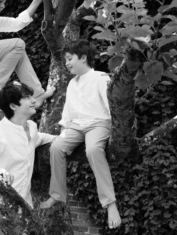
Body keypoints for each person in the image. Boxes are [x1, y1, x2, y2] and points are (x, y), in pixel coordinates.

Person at [39, 40, 122, 229]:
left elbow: (112, 107)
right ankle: (57, 194)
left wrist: (116, 131)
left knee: (93, 150)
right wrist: (63, 132)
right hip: (75, 126)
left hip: (98, 123)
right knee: (57, 147)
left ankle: (110, 203)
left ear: (83, 57)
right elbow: (67, 112)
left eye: (70, 59)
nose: (67, 63)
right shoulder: (71, 84)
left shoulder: (101, 78)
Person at [0, 81, 57, 235]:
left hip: (22, 214)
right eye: (26, 97)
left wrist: (65, 138)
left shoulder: (31, 127)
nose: (33, 100)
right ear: (13, 106)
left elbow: (40, 138)